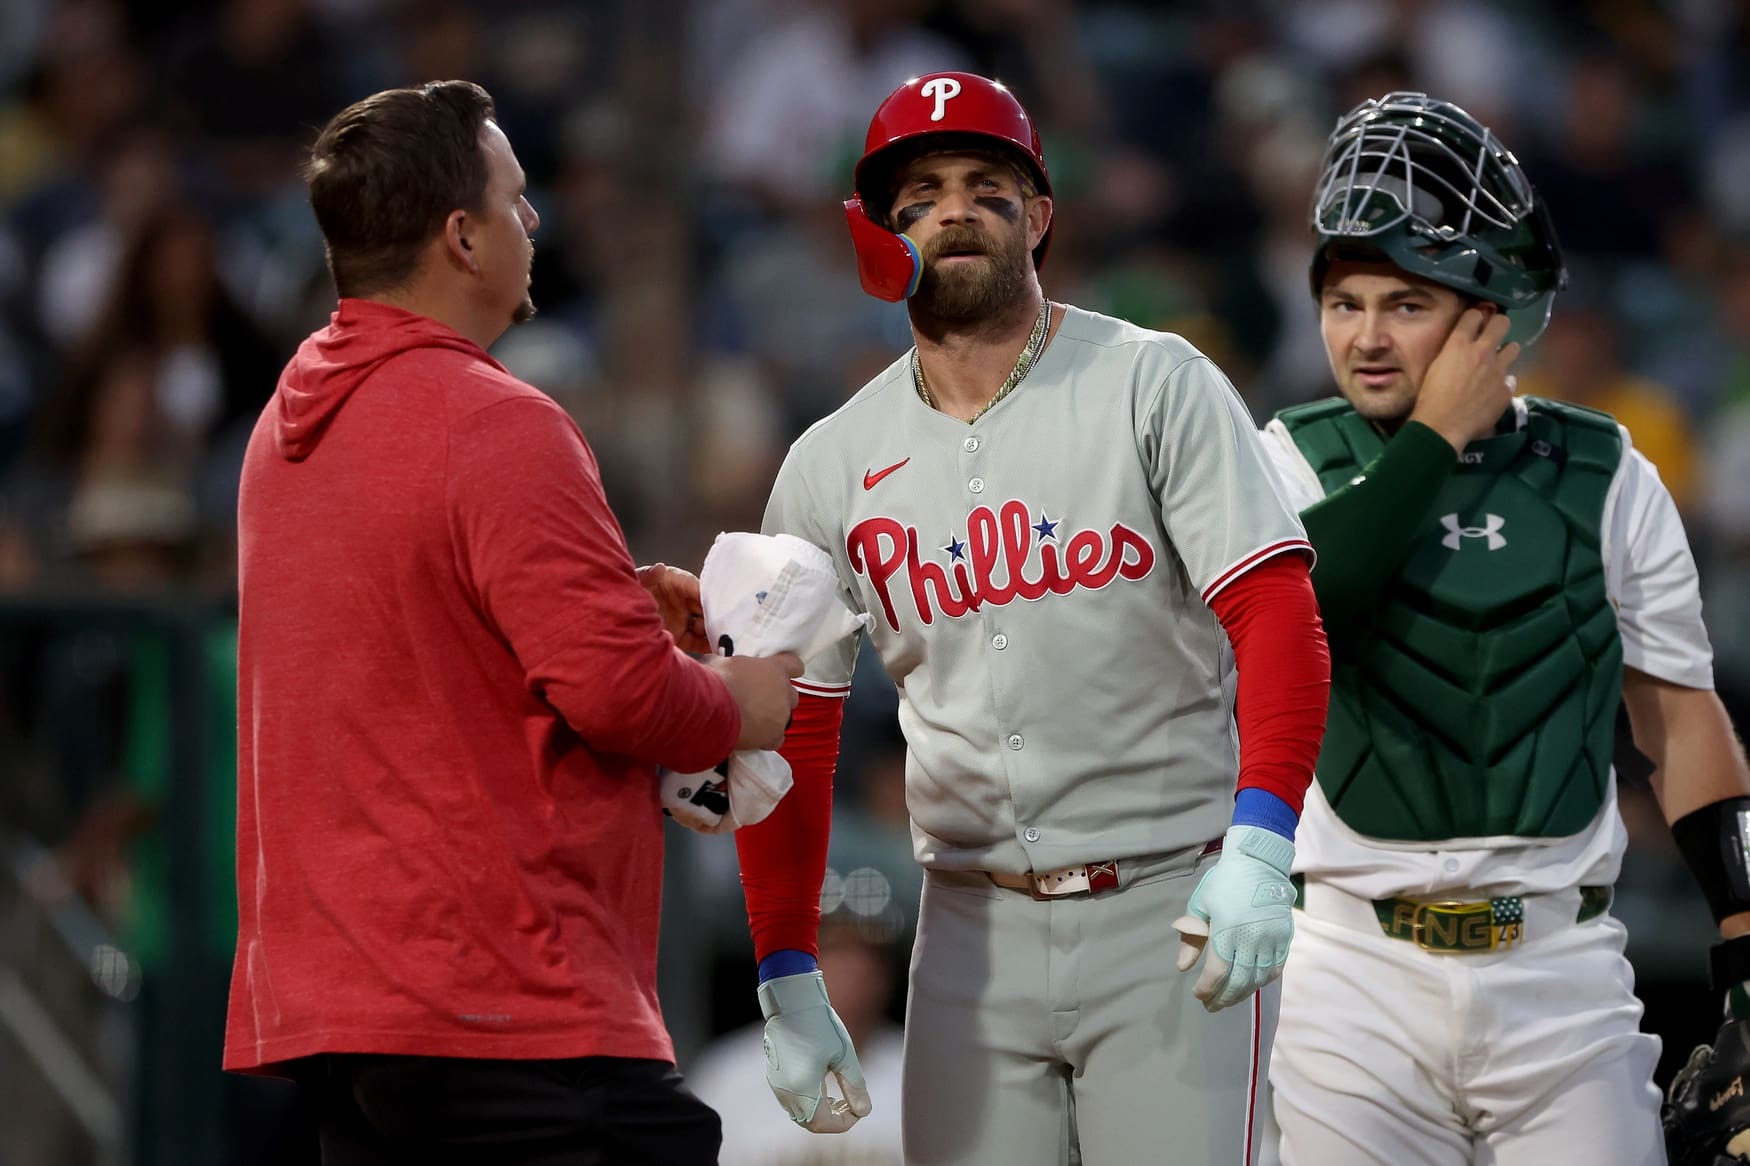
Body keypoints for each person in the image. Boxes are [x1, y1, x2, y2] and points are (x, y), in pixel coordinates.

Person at [734, 72, 1332, 1165]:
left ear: (1040, 219)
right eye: (920, 191)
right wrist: (784, 962)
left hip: (1168, 904)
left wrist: (1260, 836)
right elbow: (796, 729)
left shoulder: (1154, 381)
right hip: (968, 933)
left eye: (985, 186)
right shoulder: (827, 461)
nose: (954, 208)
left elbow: (1276, 615)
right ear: (879, 230)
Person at [221, 80, 804, 1166]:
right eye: (514, 197)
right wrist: (748, 699)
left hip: (347, 1014)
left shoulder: (287, 422)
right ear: (461, 235)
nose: (532, 221)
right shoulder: (497, 421)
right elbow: (626, 696)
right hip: (504, 995)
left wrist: (605, 597)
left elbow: (423, 636)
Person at [1257, 91, 1750, 1166]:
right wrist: (1438, 430)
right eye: (1342, 302)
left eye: (1404, 302)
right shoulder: (1282, 458)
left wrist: (1745, 941)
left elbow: (1677, 720)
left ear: (1485, 318)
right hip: (1349, 971)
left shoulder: (1607, 469)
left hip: (1561, 970)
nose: (1367, 335)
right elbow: (1309, 608)